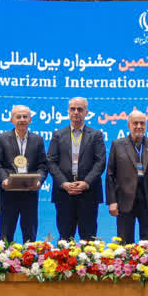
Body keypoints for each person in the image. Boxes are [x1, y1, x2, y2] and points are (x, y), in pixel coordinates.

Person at [47, 97, 106, 240]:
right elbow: (51, 162)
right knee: (65, 238)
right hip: (64, 193)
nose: (76, 112)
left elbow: (100, 162)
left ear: (86, 112)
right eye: (72, 109)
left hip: (88, 193)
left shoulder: (96, 135)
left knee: (89, 238)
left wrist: (86, 182)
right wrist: (63, 183)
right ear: (68, 111)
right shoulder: (58, 135)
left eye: (80, 109)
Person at [0, 105, 47, 242]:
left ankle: (30, 256)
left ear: (30, 120)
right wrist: (4, 180)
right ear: (12, 120)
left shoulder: (38, 140)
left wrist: (39, 181)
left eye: (25, 117)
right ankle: (5, 257)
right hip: (8, 194)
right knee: (6, 236)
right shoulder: (2, 138)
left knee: (30, 235)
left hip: (30, 194)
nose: (22, 119)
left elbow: (43, 165)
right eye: (18, 117)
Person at [106, 110, 148, 243]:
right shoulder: (117, 144)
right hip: (124, 200)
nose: (139, 126)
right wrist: (112, 201)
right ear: (129, 125)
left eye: (142, 123)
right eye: (135, 123)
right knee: (125, 243)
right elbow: (110, 175)